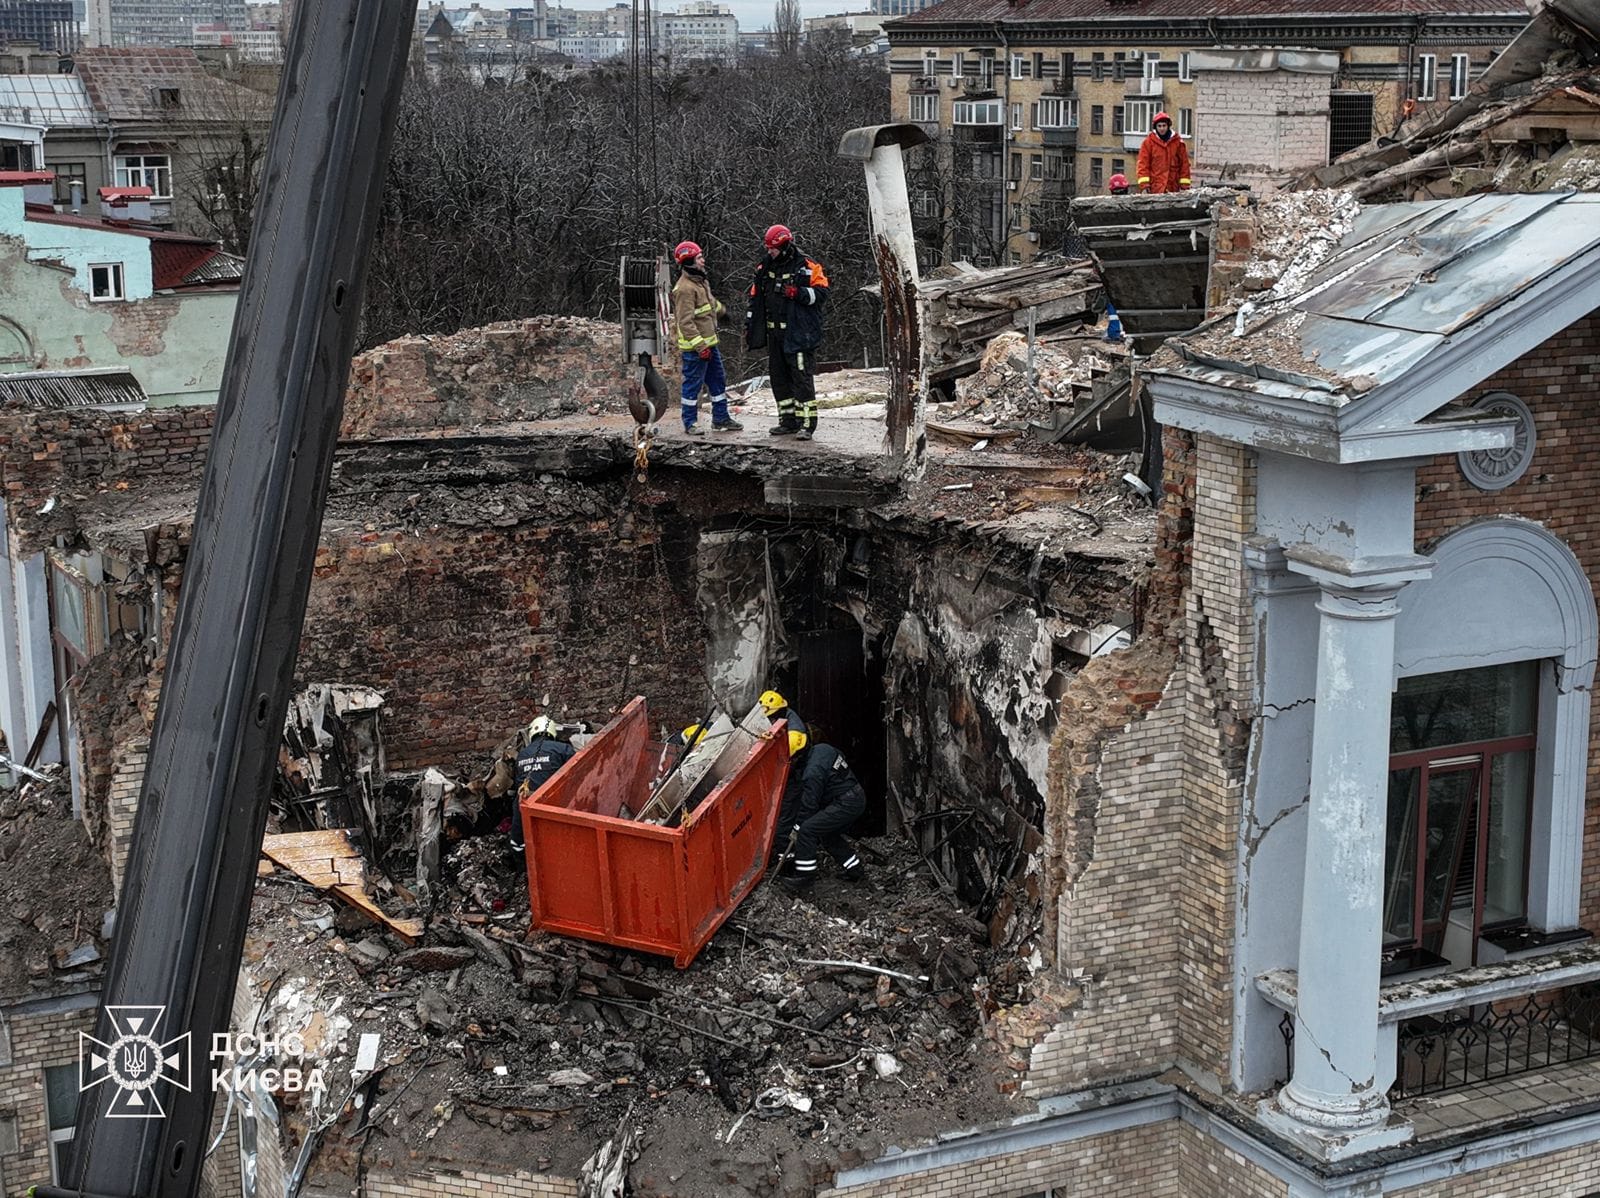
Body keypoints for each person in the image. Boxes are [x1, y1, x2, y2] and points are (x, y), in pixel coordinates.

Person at [745, 224, 829, 442]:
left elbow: (821, 294)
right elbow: (755, 297)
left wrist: (798, 293)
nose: (769, 251)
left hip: (799, 335)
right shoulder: (764, 267)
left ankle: (807, 424)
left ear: (784, 245)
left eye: (773, 248)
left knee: (801, 379)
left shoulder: (807, 266)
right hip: (775, 335)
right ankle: (787, 420)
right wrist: (752, 325)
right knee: (779, 378)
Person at [774, 733, 865, 895]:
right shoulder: (823, 748)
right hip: (854, 795)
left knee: (807, 830)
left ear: (797, 756)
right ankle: (855, 869)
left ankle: (804, 877)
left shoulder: (812, 773)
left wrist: (797, 827)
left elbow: (809, 805)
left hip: (845, 802)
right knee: (828, 835)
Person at [671, 240, 742, 436]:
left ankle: (720, 419)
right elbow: (685, 323)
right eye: (699, 257)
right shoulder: (684, 289)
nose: (703, 260)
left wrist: (723, 313)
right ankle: (690, 422)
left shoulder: (701, 281)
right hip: (696, 350)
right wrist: (700, 346)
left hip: (710, 346)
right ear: (690, 261)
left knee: (718, 381)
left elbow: (710, 304)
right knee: (693, 386)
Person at [510, 715, 575, 850]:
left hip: (524, 806)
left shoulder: (522, 754)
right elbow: (577, 775)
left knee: (518, 843)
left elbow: (517, 782)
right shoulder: (563, 749)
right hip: (554, 805)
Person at [1135, 112, 1191, 195]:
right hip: (1155, 188)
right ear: (1155, 127)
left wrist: (1184, 186)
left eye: (1164, 126)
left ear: (1168, 126)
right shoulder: (1148, 143)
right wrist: (1145, 186)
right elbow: (1143, 165)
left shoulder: (1178, 142)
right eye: (1159, 126)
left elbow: (1184, 165)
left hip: (1173, 188)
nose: (1162, 128)